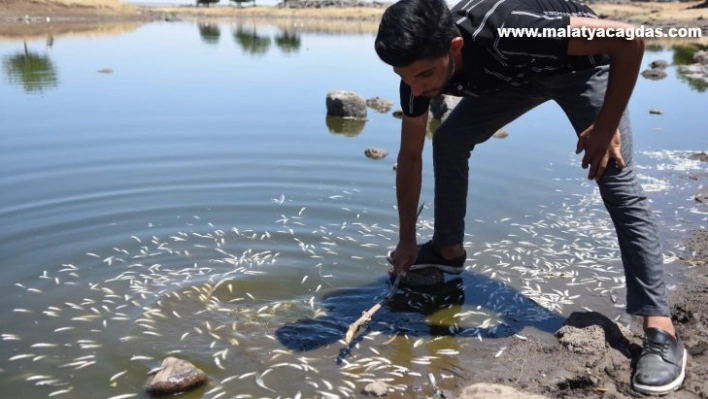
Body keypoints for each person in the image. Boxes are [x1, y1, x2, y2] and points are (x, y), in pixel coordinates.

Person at [374, 0, 687, 395]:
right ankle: (447, 250)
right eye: (406, 78)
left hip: (581, 66)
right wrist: (406, 238)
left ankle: (660, 329)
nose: (417, 89)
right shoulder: (417, 77)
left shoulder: (510, 30)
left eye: (425, 75)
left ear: (455, 48)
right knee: (450, 138)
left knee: (615, 178)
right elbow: (410, 156)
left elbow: (628, 40)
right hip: (513, 77)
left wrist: (605, 127)